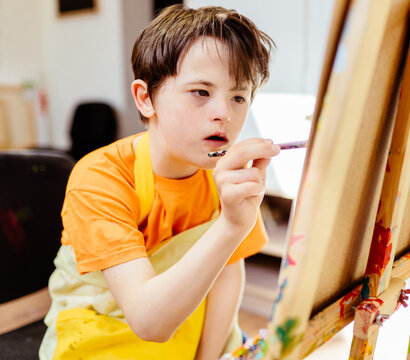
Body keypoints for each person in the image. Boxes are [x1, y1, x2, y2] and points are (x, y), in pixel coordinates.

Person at [39, 4, 276, 359]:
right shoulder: (100, 177)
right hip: (101, 339)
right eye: (200, 92)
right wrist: (231, 225)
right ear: (145, 98)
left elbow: (228, 274)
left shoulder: (224, 175)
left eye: (239, 96)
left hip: (189, 335)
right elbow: (149, 323)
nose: (224, 113)